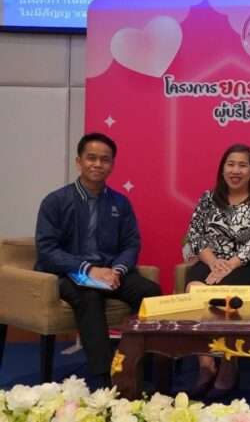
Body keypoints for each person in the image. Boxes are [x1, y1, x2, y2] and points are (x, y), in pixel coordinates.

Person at [34, 132, 161, 389]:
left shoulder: (120, 203)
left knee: (151, 293)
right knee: (89, 296)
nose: (97, 164)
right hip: (69, 273)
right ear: (79, 161)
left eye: (105, 159)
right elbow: (47, 249)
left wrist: (117, 270)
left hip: (110, 272)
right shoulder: (56, 201)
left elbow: (131, 244)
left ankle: (140, 367)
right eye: (91, 158)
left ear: (112, 165)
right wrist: (89, 269)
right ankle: (104, 380)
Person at [185, 144, 250, 399]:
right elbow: (196, 236)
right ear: (223, 169)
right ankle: (206, 364)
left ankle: (228, 363)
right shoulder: (208, 199)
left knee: (227, 294)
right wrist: (214, 262)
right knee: (194, 289)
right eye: (231, 164)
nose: (236, 170)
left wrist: (230, 265)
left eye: (242, 165)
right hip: (212, 261)